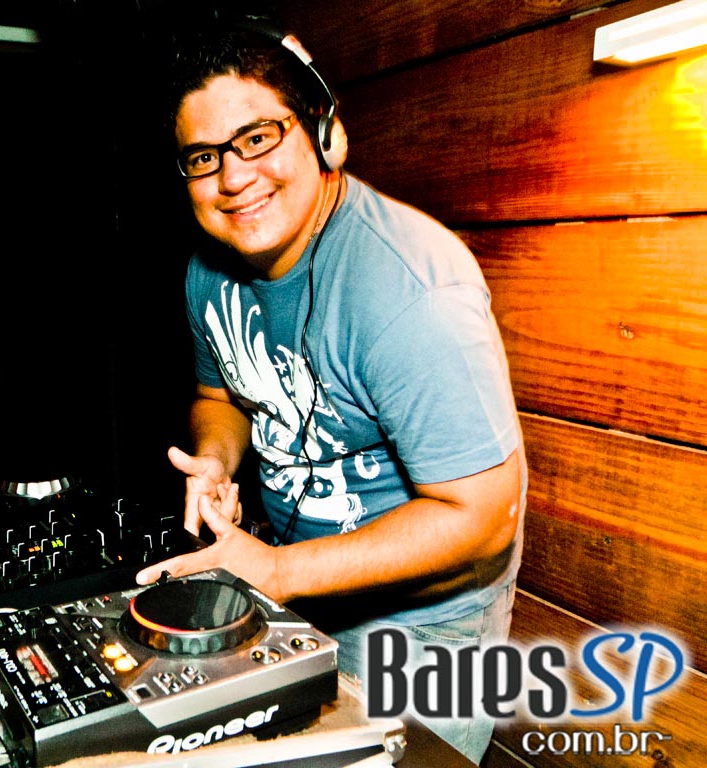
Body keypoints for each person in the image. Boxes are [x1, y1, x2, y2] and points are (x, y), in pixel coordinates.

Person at [134, 17, 527, 765]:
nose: (233, 178)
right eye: (204, 157)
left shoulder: (409, 288)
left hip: (425, 632)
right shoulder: (207, 271)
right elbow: (220, 397)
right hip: (297, 591)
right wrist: (215, 461)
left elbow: (483, 517)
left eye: (258, 138)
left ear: (324, 133)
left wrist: (278, 571)